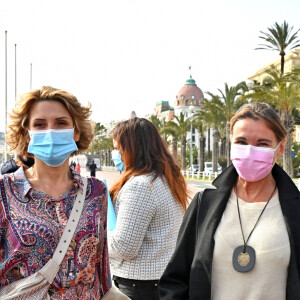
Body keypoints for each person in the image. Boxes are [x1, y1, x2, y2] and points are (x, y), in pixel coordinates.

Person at [159, 102, 300, 300]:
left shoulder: (296, 209)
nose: (250, 151)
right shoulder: (204, 204)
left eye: (262, 144)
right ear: (231, 143)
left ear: (280, 147)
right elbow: (176, 279)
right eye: (242, 142)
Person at [0, 86, 111, 299]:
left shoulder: (96, 192)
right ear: (27, 134)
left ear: (76, 132)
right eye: (39, 125)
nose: (50, 132)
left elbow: (102, 273)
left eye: (61, 123)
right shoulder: (4, 191)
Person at [108, 117, 188, 300]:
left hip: (137, 284)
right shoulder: (165, 179)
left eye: (117, 148)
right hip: (159, 279)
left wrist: (95, 238)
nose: (115, 153)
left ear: (132, 148)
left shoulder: (141, 186)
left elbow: (124, 247)